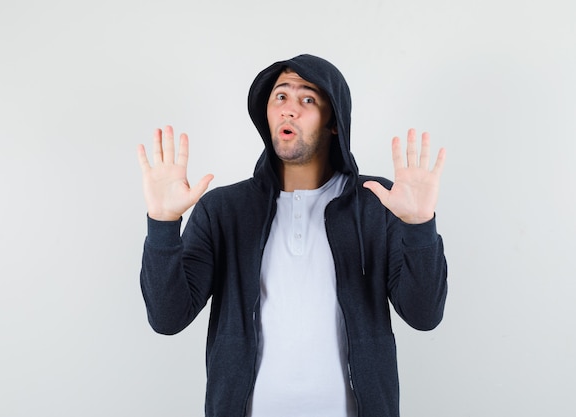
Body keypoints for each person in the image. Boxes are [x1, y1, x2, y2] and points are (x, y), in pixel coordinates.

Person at [137, 54, 448, 417]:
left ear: (334, 123)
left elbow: (424, 315)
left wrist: (419, 225)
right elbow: (167, 317)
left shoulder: (379, 203)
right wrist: (162, 222)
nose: (289, 110)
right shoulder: (224, 209)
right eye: (280, 97)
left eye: (307, 99)